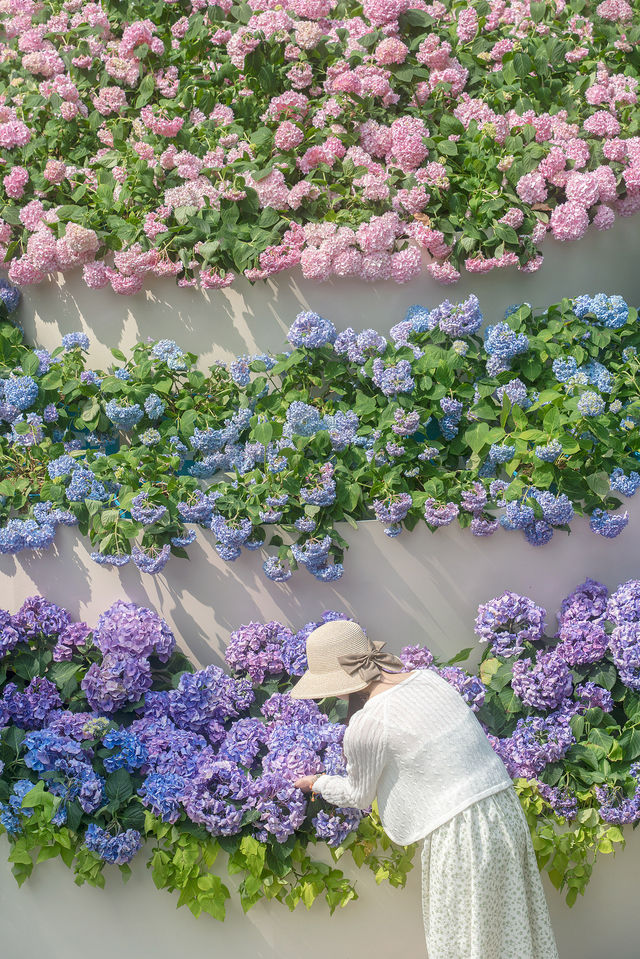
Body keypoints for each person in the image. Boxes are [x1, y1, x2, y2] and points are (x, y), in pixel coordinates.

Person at [291, 619, 560, 959]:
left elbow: (359, 796)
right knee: (512, 935)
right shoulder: (429, 679)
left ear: (337, 681)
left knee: (464, 941)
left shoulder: (367, 722)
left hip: (460, 832)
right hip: (501, 809)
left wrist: (318, 782)